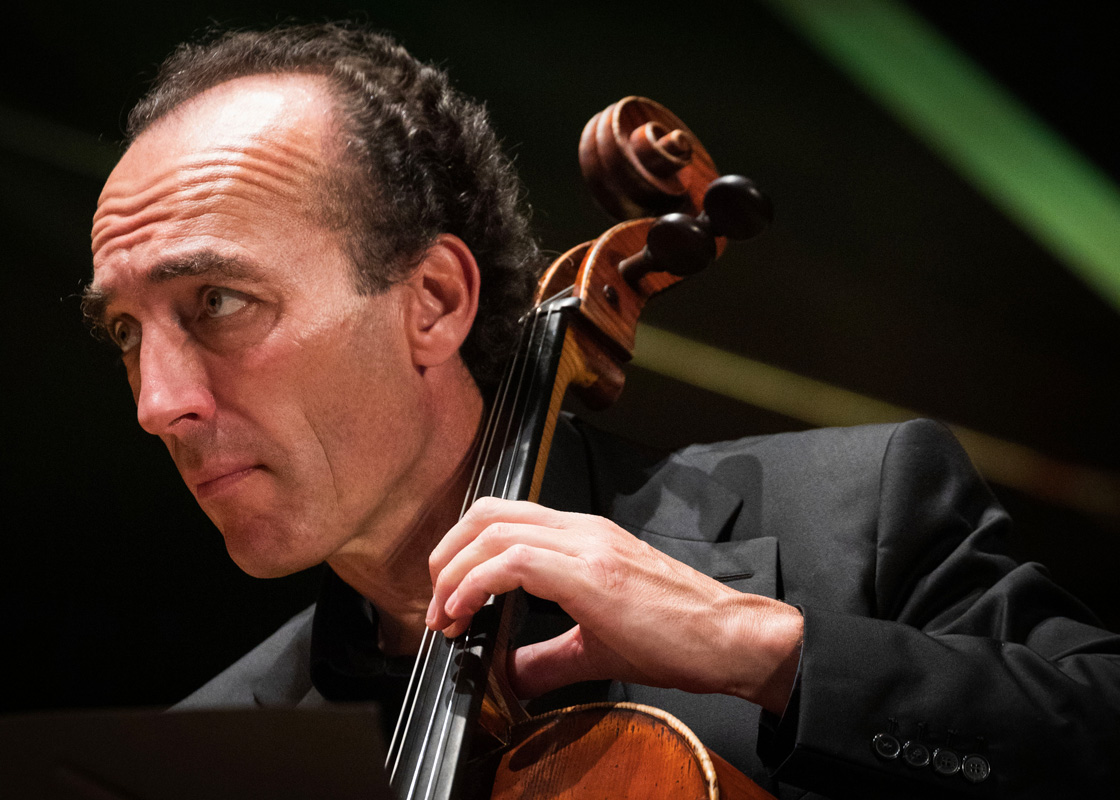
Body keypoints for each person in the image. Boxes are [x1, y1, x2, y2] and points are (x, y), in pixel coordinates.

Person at [84, 22, 1119, 799]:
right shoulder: (198, 757)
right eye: (127, 332)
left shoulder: (853, 513)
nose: (158, 403)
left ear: (432, 302)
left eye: (218, 302)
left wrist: (769, 655)